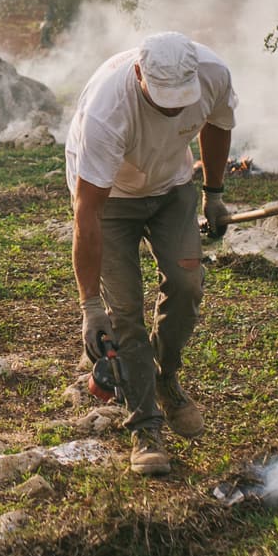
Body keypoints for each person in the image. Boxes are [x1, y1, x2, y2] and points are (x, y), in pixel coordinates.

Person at [63, 31, 235, 476]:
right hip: (110, 198)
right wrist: (89, 306)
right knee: (124, 310)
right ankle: (145, 425)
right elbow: (88, 215)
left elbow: (217, 123)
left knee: (186, 283)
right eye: (164, 100)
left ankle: (165, 378)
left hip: (172, 185)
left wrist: (213, 194)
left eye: (182, 98)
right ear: (139, 75)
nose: (175, 108)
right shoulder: (107, 111)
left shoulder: (214, 74)